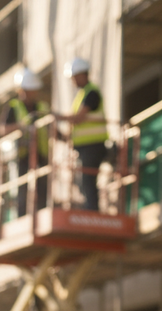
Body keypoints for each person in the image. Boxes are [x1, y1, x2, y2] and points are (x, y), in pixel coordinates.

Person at [57, 57, 110, 211]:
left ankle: (92, 211)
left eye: (74, 77)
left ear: (82, 74)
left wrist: (58, 117)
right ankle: (90, 209)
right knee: (84, 181)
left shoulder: (91, 93)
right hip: (85, 147)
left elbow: (79, 118)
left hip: (93, 146)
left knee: (87, 180)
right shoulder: (81, 95)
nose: (73, 81)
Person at [0, 68, 49, 216]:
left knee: (42, 186)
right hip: (22, 155)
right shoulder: (14, 107)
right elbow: (3, 129)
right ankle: (20, 216)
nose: (31, 93)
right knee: (22, 188)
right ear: (21, 90)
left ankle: (41, 212)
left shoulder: (42, 107)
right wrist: (21, 126)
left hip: (40, 154)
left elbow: (52, 125)